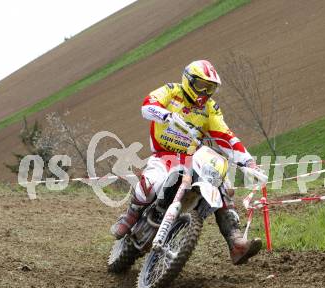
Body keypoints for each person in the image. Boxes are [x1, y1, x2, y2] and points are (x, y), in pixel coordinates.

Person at [111, 60, 267, 265]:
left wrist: (249, 163)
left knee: (224, 186)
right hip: (164, 154)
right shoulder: (171, 91)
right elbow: (147, 105)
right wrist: (166, 115)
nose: (205, 92)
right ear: (188, 81)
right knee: (151, 181)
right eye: (202, 86)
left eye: (210, 88)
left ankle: (236, 243)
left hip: (194, 157)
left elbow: (226, 136)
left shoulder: (210, 108)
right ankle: (131, 215)